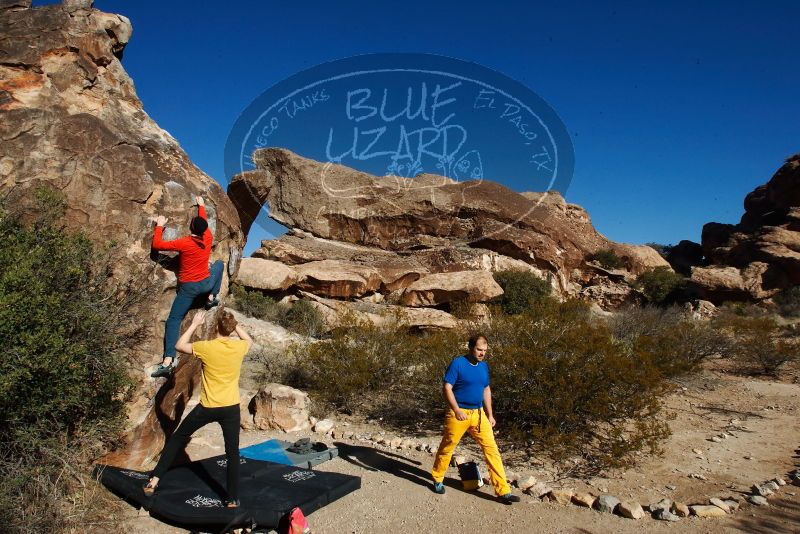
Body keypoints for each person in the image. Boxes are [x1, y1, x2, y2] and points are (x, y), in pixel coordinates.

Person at [142, 308, 252, 507]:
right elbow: (249, 340)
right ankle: (232, 498)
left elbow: (179, 345)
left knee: (177, 438)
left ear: (216, 328)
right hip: (230, 407)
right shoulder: (239, 348)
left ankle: (155, 480)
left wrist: (194, 324)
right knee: (232, 452)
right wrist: (236, 326)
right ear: (231, 329)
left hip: (208, 407)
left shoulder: (206, 347)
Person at [430, 334, 520, 504]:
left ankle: (503, 491)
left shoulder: (484, 366)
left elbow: (486, 390)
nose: (482, 353)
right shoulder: (458, 363)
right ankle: (437, 479)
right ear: (470, 347)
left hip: (478, 415)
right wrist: (456, 409)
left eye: (485, 350)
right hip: (458, 414)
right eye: (479, 349)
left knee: (491, 449)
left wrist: (490, 414)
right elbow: (447, 388)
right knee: (448, 446)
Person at [151, 195, 224, 378]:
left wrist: (159, 225)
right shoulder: (207, 238)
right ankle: (211, 298)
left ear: (191, 227)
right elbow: (204, 223)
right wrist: (202, 206)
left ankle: (168, 361)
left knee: (174, 320)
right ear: (204, 230)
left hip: (189, 288)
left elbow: (157, 245)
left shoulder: (184, 243)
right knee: (219, 264)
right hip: (206, 284)